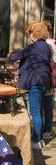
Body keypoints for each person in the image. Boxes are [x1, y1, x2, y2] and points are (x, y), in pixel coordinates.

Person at [9, 22, 51, 150]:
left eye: (30, 33)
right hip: (44, 80)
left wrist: (11, 56)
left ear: (35, 34)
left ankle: (36, 140)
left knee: (35, 112)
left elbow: (17, 56)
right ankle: (41, 140)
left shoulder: (34, 46)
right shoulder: (46, 46)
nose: (29, 36)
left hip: (35, 80)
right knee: (40, 111)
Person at [42, 21, 56, 140]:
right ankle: (48, 129)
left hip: (46, 75)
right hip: (51, 76)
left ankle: (45, 130)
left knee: (44, 104)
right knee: (48, 104)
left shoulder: (45, 44)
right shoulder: (53, 43)